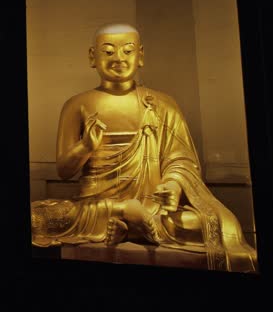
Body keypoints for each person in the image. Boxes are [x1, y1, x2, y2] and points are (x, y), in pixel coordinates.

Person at [30, 23, 257, 272]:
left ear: (141, 56)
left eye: (127, 51)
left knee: (222, 225)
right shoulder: (77, 105)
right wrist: (85, 147)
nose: (118, 58)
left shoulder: (163, 104)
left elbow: (180, 160)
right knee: (35, 220)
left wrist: (172, 185)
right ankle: (129, 215)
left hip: (154, 209)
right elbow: (64, 170)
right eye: (108, 51)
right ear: (92, 57)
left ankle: (133, 224)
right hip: (96, 207)